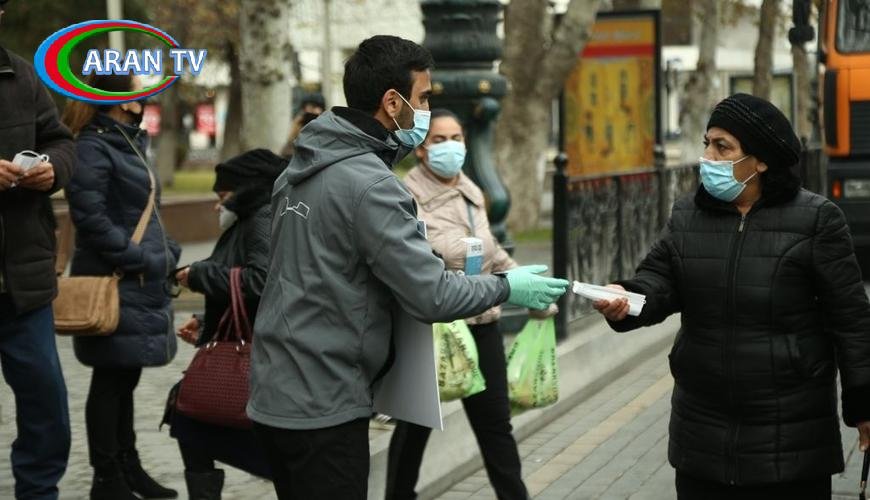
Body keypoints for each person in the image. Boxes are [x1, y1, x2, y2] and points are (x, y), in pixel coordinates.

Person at [247, 35, 569, 500]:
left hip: (275, 391)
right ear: (392, 103)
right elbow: (432, 295)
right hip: (325, 402)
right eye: (423, 99)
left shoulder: (300, 168)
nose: (426, 111)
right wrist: (505, 286)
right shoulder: (372, 185)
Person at [593, 93, 870, 499]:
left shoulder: (816, 219)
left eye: (723, 147)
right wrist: (626, 298)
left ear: (760, 161)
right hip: (702, 435)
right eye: (707, 143)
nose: (708, 157)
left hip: (790, 437)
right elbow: (659, 279)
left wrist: (863, 405)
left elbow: (852, 320)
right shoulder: (687, 215)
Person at [385, 108, 553, 500]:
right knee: (414, 427)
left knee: (495, 426)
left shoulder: (472, 190)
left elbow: (491, 252)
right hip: (433, 328)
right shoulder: (405, 195)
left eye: (456, 138)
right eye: (439, 140)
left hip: (482, 321)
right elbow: (425, 254)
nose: (450, 147)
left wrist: (527, 284)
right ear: (422, 149)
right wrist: (471, 255)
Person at [63, 74, 181, 500]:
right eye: (138, 91)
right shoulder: (93, 147)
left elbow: (140, 211)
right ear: (125, 102)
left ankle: (128, 467)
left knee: (124, 377)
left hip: (137, 279)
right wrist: (142, 259)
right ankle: (107, 477)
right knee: (110, 381)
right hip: (117, 280)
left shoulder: (124, 143)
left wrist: (167, 250)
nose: (146, 97)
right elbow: (90, 218)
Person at [168, 148, 284, 499]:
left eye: (223, 196)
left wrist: (198, 274)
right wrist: (208, 323)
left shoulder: (261, 218)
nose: (218, 206)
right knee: (188, 422)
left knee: (191, 421)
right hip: (252, 353)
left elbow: (260, 283)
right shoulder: (250, 218)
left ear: (247, 189)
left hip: (263, 366)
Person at [0, 10, 75, 497]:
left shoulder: (20, 74)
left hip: (22, 284)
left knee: (46, 403)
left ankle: (39, 492)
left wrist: (53, 169)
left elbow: (60, 140)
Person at [279, 92, 326, 158]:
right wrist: (295, 131)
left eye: (315, 107)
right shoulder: (298, 125)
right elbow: (286, 153)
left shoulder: (327, 126)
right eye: (309, 114)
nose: (312, 113)